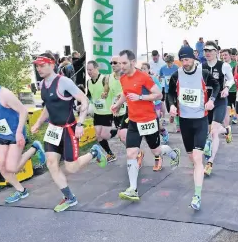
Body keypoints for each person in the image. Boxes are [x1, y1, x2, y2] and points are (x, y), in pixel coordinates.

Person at [30, 53, 107, 212]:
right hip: (53, 129)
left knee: (71, 168)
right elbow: (48, 106)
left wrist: (80, 123)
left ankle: (94, 152)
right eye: (37, 66)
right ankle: (69, 198)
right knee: (51, 163)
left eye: (42, 65)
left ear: (52, 65)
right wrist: (38, 122)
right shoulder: (42, 84)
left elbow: (84, 100)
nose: (39, 68)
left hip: (69, 129)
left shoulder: (63, 82)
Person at [111, 50, 180, 202]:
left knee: (156, 150)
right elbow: (126, 93)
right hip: (134, 121)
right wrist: (117, 104)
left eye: (124, 63)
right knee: (131, 154)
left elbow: (159, 95)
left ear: (133, 62)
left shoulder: (143, 77)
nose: (121, 66)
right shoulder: (123, 78)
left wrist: (140, 97)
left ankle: (171, 152)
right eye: (120, 63)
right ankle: (133, 189)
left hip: (148, 120)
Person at [0, 66, 46, 204]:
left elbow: (23, 111)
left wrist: (19, 132)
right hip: (1, 134)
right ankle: (21, 191)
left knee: (12, 168)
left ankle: (34, 148)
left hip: (15, 133)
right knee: (2, 167)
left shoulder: (4, 94)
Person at [167, 46, 220, 210]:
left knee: (197, 159)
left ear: (193, 58)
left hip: (200, 120)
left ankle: (197, 196)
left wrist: (211, 99)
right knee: (191, 157)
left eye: (187, 59)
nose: (185, 63)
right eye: (182, 60)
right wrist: (171, 106)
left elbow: (216, 85)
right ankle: (207, 146)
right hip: (184, 121)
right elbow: (169, 94)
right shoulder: (176, 75)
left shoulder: (203, 73)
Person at [202, 41, 235, 176]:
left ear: (216, 52)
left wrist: (227, 88)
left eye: (210, 50)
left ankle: (210, 162)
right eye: (205, 50)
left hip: (220, 99)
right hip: (206, 101)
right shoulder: (201, 66)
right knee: (209, 130)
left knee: (214, 132)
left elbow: (231, 79)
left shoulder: (224, 66)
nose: (208, 53)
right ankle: (226, 129)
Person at [86, 61, 117, 162]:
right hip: (97, 112)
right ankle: (110, 154)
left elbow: (114, 92)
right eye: (87, 70)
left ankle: (117, 130)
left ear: (96, 68)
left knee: (104, 135)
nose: (89, 72)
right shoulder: (89, 82)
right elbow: (89, 95)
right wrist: (84, 103)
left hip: (107, 111)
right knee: (98, 136)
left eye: (90, 70)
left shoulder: (105, 79)